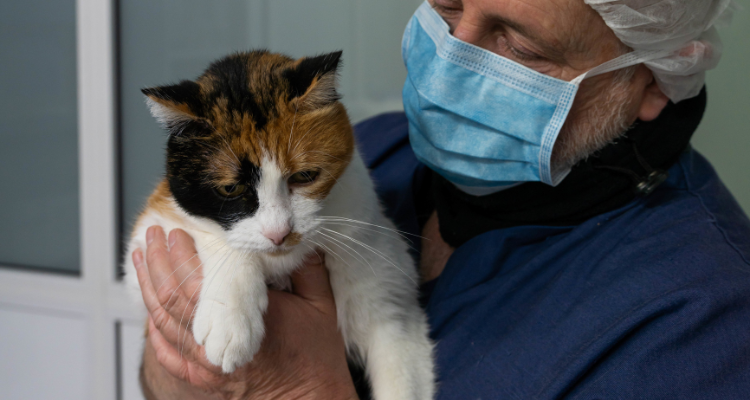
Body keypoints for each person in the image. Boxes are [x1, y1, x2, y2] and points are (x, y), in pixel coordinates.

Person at [134, 0, 750, 398]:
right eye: (447, 8)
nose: (453, 57)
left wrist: (298, 388)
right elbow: (165, 378)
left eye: (520, 47)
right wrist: (178, 366)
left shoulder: (707, 329)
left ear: (654, 76)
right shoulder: (373, 151)